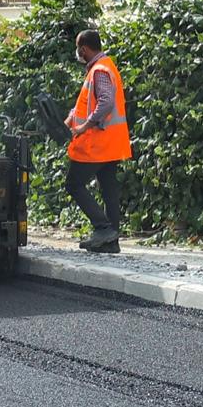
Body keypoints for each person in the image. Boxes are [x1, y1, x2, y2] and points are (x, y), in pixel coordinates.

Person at [63, 29, 132, 253]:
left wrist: (83, 126)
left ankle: (103, 228)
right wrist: (69, 120)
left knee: (73, 183)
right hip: (112, 143)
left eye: (78, 49)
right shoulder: (104, 66)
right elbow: (86, 103)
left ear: (83, 49)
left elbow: (105, 102)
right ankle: (110, 242)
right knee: (109, 189)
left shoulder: (99, 70)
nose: (78, 53)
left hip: (97, 143)